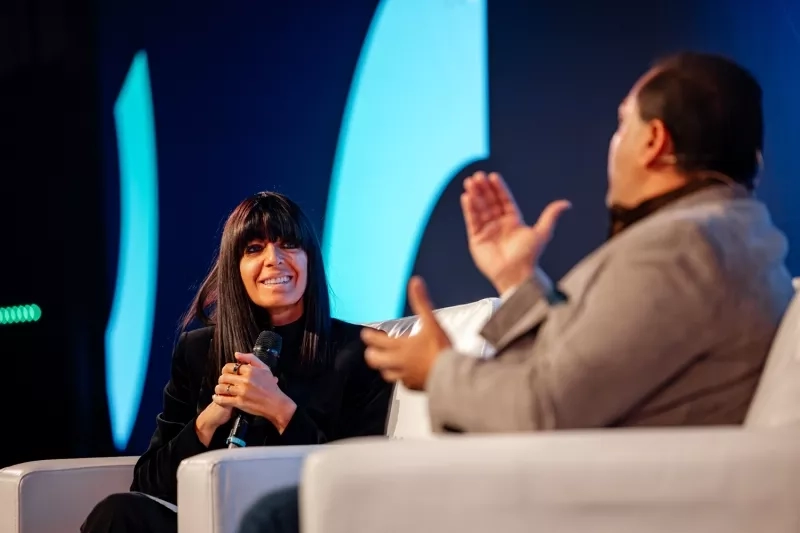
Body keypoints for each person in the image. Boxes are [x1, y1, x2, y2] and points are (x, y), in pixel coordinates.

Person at [236, 52, 794, 532]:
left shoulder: (681, 250)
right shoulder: (730, 235)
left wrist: (440, 369)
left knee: (277, 518)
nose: (612, 144)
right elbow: (591, 367)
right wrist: (518, 283)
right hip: (591, 476)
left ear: (654, 141)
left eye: (621, 126)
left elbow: (543, 406)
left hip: (588, 496)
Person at [81, 191, 393, 533]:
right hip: (212, 521)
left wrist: (280, 410)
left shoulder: (360, 350)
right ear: (236, 267)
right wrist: (209, 420)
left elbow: (359, 481)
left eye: (289, 245)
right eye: (254, 249)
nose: (274, 259)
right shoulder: (198, 350)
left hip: (296, 521)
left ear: (309, 259)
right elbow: (148, 484)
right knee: (118, 513)